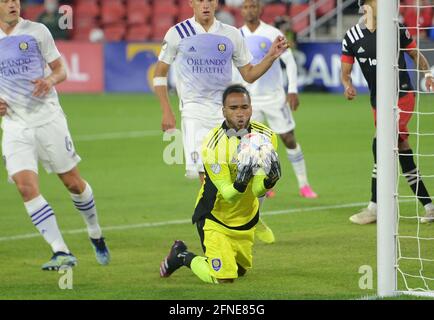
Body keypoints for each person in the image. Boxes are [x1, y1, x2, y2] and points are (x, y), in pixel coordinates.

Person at [0, 0, 110, 270]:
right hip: (14, 124)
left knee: (72, 183)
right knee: (25, 187)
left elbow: (61, 69)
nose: (13, 4)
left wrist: (48, 80)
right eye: (6, 0)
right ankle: (61, 251)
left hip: (47, 117)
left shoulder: (38, 31)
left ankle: (94, 231)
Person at [153, 0, 288, 182]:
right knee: (205, 176)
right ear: (191, 3)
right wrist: (166, 111)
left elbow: (248, 74)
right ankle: (210, 210)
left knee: (236, 173)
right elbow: (160, 74)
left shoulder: (231, 34)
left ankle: (236, 209)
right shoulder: (177, 33)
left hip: (225, 113)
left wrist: (271, 56)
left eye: (210, 0)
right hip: (194, 112)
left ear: (216, 3)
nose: (205, 5)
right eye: (200, 1)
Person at [159, 84, 281, 283]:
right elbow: (227, 193)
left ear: (251, 108)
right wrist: (241, 181)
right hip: (215, 216)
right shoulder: (212, 145)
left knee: (240, 271)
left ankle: (218, 259)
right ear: (223, 111)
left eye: (244, 107)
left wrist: (269, 181)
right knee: (223, 278)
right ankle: (181, 256)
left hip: (245, 217)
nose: (240, 113)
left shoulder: (265, 137)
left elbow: (258, 189)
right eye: (233, 108)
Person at [341, 0, 434, 224]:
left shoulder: (396, 29)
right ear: (366, 6)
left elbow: (414, 55)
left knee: (380, 143)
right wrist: (347, 86)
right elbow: (345, 73)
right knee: (402, 150)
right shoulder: (352, 37)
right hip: (378, 103)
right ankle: (429, 206)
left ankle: (374, 207)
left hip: (402, 96)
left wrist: (429, 74)